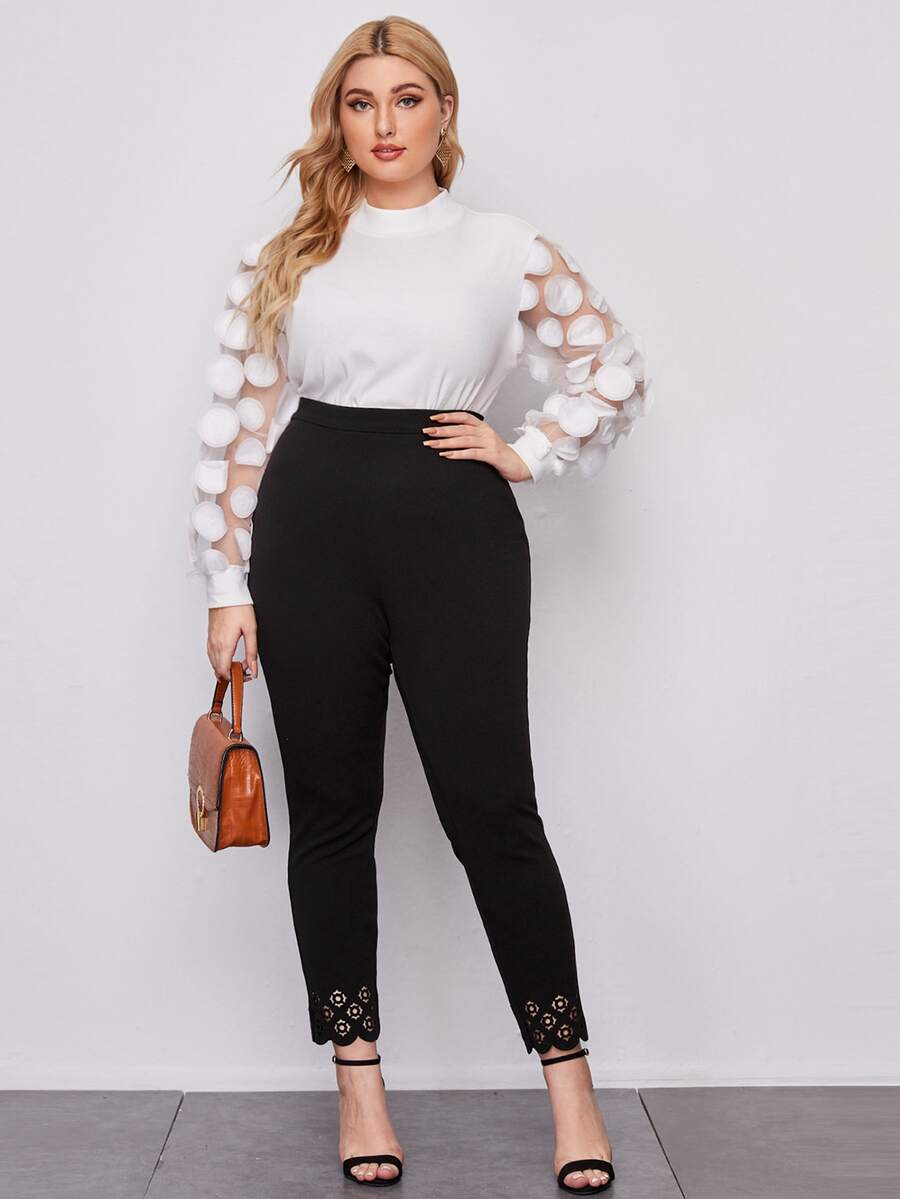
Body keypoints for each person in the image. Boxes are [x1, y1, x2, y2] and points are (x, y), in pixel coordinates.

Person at [187, 15, 651, 1194]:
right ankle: (359, 1082)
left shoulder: (505, 245)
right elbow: (243, 424)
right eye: (360, 102)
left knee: (494, 808)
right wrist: (227, 580)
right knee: (332, 812)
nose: (383, 124)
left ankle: (572, 1085)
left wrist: (527, 448)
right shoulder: (289, 251)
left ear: (444, 111)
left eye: (406, 99)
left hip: (457, 535)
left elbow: (613, 364)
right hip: (310, 532)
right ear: (336, 120)